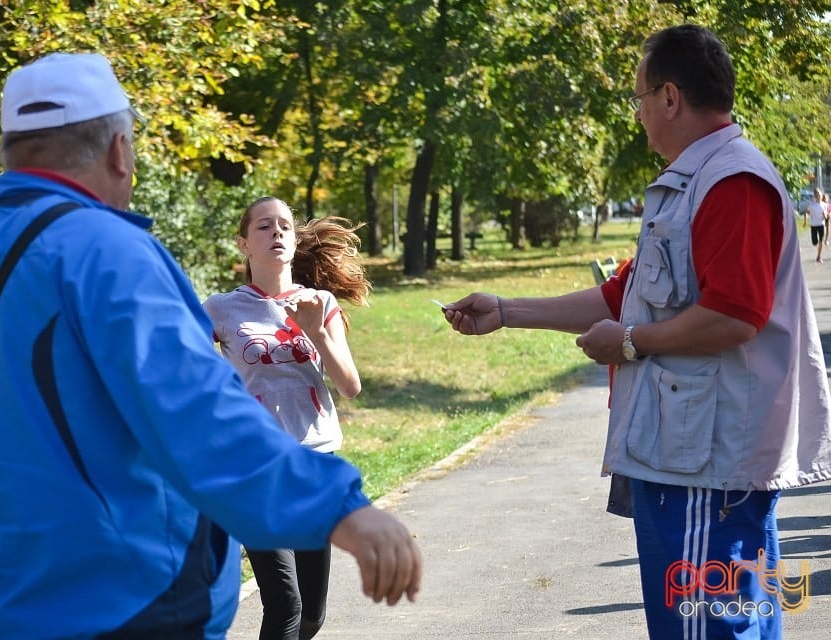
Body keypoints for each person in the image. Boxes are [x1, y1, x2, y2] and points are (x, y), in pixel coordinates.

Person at [0, 52, 421, 640]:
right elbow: (204, 418)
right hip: (126, 610)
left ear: (11, 151)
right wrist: (341, 509)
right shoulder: (109, 256)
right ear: (120, 150)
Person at [441, 25, 831, 640]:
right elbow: (624, 296)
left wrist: (628, 344)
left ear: (670, 97)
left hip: (710, 466)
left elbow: (735, 315)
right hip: (685, 456)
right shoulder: (694, 182)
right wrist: (506, 310)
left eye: (640, 97)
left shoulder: (731, 182)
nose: (639, 112)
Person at [203, 197, 369, 640]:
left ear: (295, 242)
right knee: (285, 604)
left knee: (311, 615)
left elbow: (351, 386)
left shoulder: (320, 302)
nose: (276, 233)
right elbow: (185, 375)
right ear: (244, 243)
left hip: (315, 462)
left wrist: (317, 333)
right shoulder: (221, 309)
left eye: (284, 227)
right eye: (263, 227)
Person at [805, 188, 826, 261]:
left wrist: (826, 215)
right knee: (814, 242)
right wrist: (806, 219)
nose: (818, 196)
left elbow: (826, 214)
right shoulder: (812, 205)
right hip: (813, 225)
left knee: (821, 240)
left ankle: (819, 257)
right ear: (814, 196)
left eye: (819, 195)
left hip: (821, 225)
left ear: (822, 195)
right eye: (817, 195)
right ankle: (818, 250)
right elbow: (807, 212)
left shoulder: (824, 205)